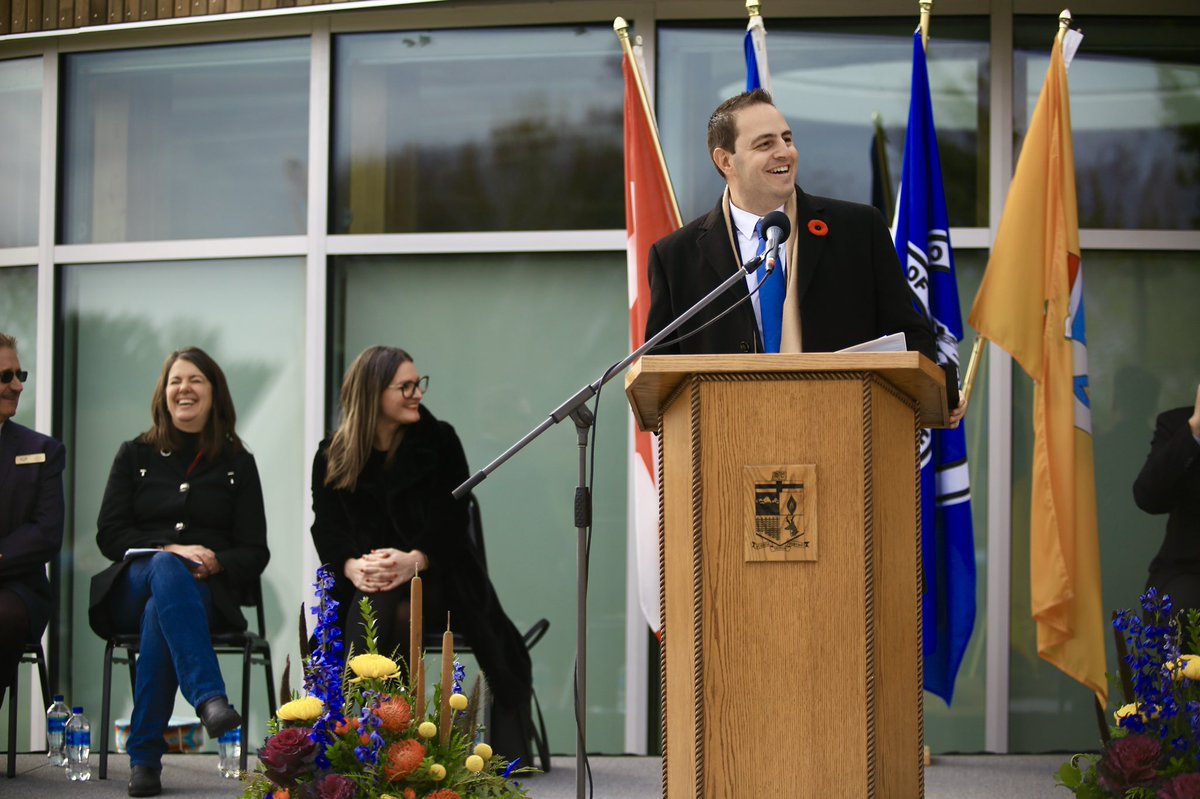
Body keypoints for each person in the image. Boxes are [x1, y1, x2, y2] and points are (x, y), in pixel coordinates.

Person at [645, 89, 966, 424]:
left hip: (843, 435)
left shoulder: (858, 230)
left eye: (787, 139)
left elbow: (911, 337)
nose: (785, 152)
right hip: (727, 445)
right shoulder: (675, 257)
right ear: (726, 161)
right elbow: (660, 375)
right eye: (766, 144)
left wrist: (936, 389)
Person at [310, 345, 535, 764]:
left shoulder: (440, 441)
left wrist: (416, 559)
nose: (417, 394)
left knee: (389, 606)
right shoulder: (332, 453)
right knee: (380, 604)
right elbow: (326, 526)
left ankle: (368, 740)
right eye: (406, 386)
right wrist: (352, 565)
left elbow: (453, 521)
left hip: (441, 582)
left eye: (419, 384)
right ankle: (391, 739)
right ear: (374, 393)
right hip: (368, 583)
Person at [89, 347, 269, 797]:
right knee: (165, 570)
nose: (183, 389)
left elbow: (255, 551)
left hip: (203, 593)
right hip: (133, 583)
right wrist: (168, 548)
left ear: (214, 394)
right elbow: (109, 535)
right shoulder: (135, 454)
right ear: (163, 393)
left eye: (195, 380)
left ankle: (145, 761)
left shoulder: (237, 463)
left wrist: (217, 560)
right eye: (175, 380)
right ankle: (209, 697)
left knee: (161, 613)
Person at [0, 333, 65, 712]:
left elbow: (47, 533)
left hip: (16, 588)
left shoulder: (42, 451)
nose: (17, 385)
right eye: (5, 376)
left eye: (19, 374)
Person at [1134, 383, 1200, 614]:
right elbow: (1148, 498)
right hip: (1190, 573)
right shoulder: (1178, 425)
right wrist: (1195, 431)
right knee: (1182, 608)